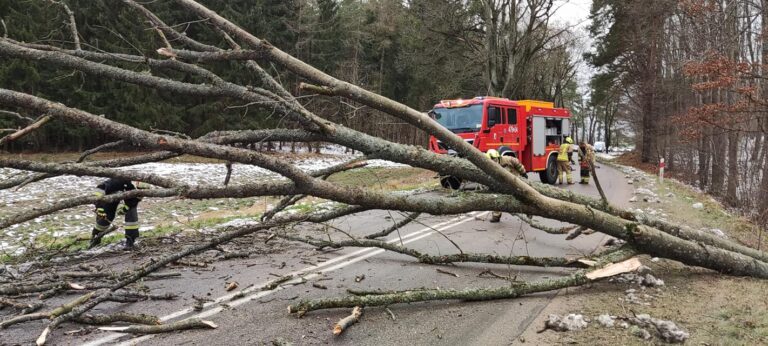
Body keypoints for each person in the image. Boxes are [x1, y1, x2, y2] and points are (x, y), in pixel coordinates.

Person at [89, 178, 147, 250]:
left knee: (131, 214)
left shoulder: (141, 188)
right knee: (107, 216)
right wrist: (99, 207)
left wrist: (127, 206)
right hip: (111, 195)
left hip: (128, 196)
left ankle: (131, 241)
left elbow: (136, 200)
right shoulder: (118, 180)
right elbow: (100, 189)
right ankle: (96, 237)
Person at [486, 149, 527, 223]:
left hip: (515, 181)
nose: (493, 162)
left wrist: (523, 172)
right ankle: (496, 216)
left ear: (497, 157)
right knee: (497, 198)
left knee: (522, 198)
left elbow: (517, 162)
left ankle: (529, 211)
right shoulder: (490, 166)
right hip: (503, 184)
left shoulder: (507, 159)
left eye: (494, 159)